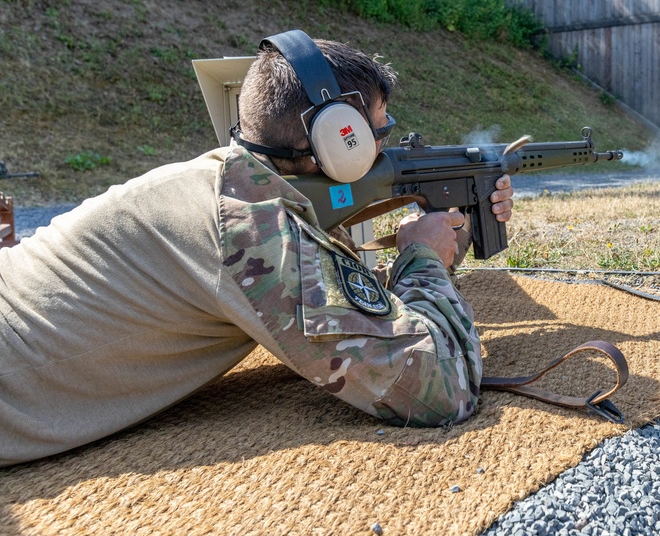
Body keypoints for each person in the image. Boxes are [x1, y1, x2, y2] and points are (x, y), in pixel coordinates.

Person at [0, 30, 514, 467]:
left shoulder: (228, 178)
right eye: (381, 130)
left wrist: (444, 228)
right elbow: (437, 388)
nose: (387, 144)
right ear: (341, 140)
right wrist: (423, 257)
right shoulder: (249, 224)